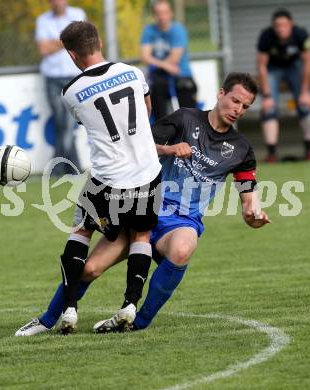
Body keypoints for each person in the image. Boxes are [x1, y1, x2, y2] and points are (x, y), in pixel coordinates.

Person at [15, 72, 270, 336]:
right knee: (89, 269)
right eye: (235, 101)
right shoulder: (185, 118)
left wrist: (253, 215)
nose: (237, 110)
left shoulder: (241, 149)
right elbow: (143, 143)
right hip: (144, 205)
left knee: (183, 248)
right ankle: (46, 320)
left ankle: (138, 321)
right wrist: (171, 149)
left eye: (245, 106)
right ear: (221, 94)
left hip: (181, 221)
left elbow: (248, 199)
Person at [53, 21, 161, 334]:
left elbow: (89, 124)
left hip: (107, 179)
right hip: (146, 173)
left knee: (80, 232)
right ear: (99, 41)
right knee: (141, 237)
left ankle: (70, 308)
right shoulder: (134, 72)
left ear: (72, 55)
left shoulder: (71, 92)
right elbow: (147, 109)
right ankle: (130, 304)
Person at [257, 8, 310, 162]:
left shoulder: (301, 34)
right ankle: (271, 154)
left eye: (284, 25)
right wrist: (267, 96)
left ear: (291, 24)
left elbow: (307, 63)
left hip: (295, 67)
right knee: (268, 108)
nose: (280, 28)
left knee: (305, 105)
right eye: (277, 25)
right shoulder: (266, 36)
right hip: (273, 69)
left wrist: (305, 92)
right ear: (273, 26)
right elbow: (262, 66)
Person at [35, 0, 86, 175]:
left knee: (68, 124)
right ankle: (74, 168)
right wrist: (66, 41)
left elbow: (81, 43)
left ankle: (57, 168)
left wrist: (54, 44)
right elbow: (43, 49)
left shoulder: (78, 14)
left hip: (74, 78)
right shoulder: (43, 20)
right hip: (52, 78)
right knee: (62, 124)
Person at [140, 0, 197, 120]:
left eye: (165, 12)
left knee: (188, 105)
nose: (162, 16)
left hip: (181, 74)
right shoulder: (149, 31)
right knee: (155, 91)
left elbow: (174, 59)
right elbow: (145, 57)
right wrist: (165, 66)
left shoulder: (178, 30)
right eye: (158, 13)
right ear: (154, 15)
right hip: (159, 76)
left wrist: (156, 62)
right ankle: (162, 130)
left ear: (171, 13)